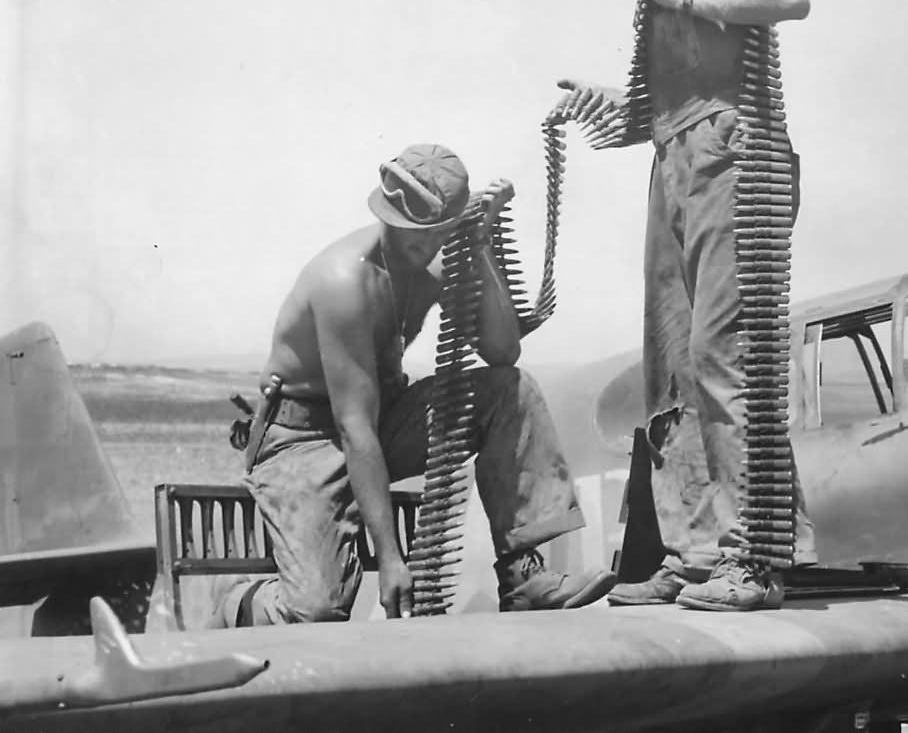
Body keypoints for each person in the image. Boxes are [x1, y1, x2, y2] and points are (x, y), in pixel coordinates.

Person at [558, 0, 817, 611]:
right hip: (676, 160)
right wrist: (615, 105)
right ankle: (697, 550)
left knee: (723, 354)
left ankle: (756, 556)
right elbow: (685, 83)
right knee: (669, 364)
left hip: (732, 163)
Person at [212, 143, 616, 626]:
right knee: (317, 610)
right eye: (408, 231)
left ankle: (522, 577)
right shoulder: (346, 283)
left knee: (510, 390)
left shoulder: (438, 261)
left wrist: (479, 245)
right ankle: (237, 601)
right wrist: (390, 559)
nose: (415, 244)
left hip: (380, 416)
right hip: (304, 440)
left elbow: (503, 352)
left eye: (432, 234)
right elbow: (352, 425)